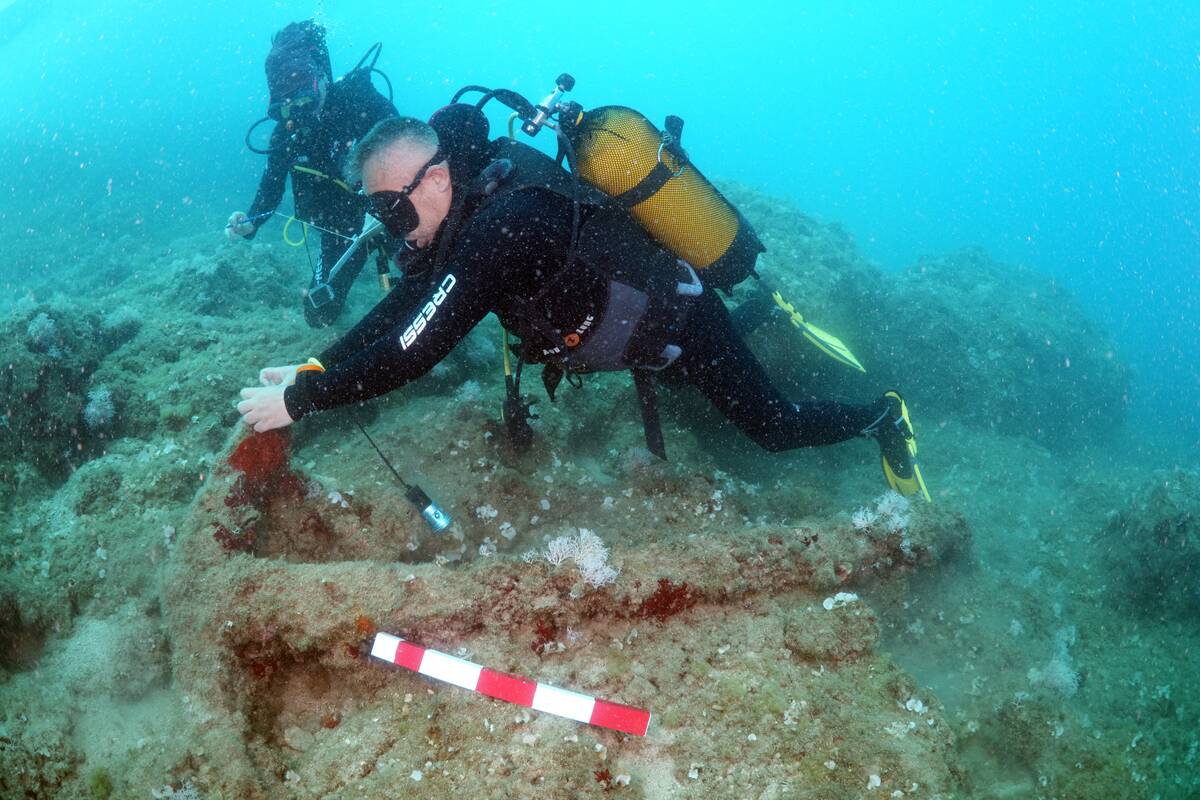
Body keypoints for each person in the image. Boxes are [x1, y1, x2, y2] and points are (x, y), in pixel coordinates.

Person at [236, 113, 930, 500]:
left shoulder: (499, 227)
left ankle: (880, 414)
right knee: (692, 383)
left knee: (772, 426)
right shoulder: (471, 206)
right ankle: (760, 321)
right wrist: (315, 363)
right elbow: (414, 299)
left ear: (439, 177)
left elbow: (415, 348)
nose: (390, 227)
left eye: (391, 208)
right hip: (634, 332)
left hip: (676, 320)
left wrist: (307, 402)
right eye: (378, 212)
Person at [226, 20, 398, 327]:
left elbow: (408, 151)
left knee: (436, 279)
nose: (299, 113)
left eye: (304, 98)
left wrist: (385, 208)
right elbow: (271, 187)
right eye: (287, 107)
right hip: (341, 229)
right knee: (319, 314)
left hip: (397, 216)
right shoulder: (286, 136)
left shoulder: (362, 100)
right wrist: (250, 223)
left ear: (322, 76)